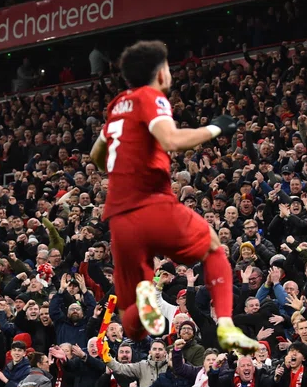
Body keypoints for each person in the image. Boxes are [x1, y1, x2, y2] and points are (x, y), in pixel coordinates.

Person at [90, 40, 257, 354]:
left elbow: (96, 154)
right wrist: (214, 128)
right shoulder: (150, 96)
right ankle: (225, 325)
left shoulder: (117, 107)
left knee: (132, 324)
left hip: (120, 221)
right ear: (161, 72)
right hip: (152, 205)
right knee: (213, 246)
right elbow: (171, 139)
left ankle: (143, 300)